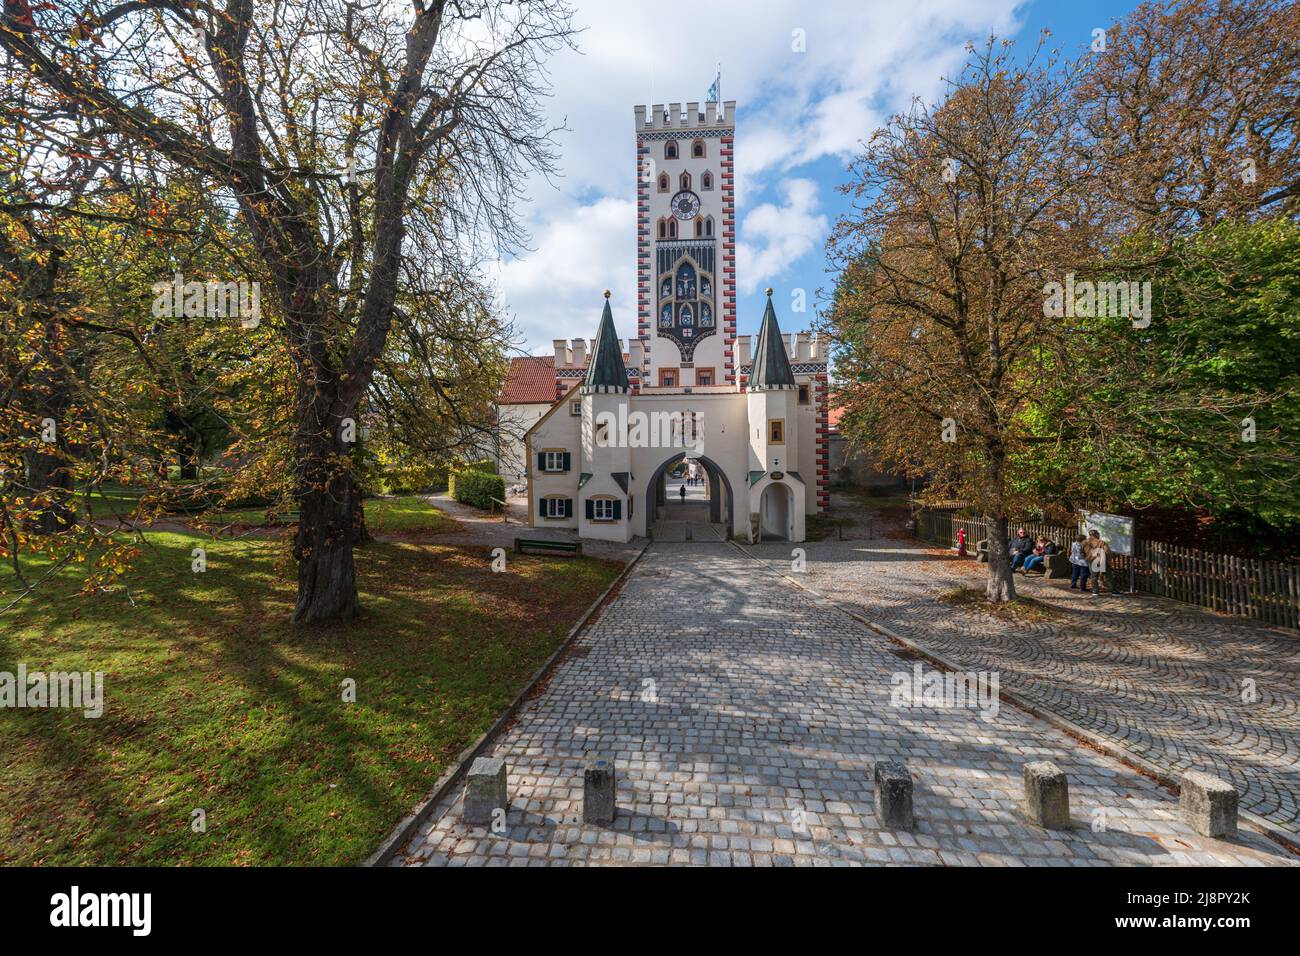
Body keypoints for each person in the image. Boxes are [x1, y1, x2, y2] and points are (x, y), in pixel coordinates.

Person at [1083, 529, 1111, 596]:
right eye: (1098, 533)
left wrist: (1087, 558)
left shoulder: (1085, 542)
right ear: (1096, 534)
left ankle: (1095, 592)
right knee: (1108, 576)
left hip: (1092, 561)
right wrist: (1108, 561)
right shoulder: (1101, 542)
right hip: (1101, 560)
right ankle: (1114, 591)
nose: (1099, 535)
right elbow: (1107, 552)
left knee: (1094, 577)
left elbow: (1081, 552)